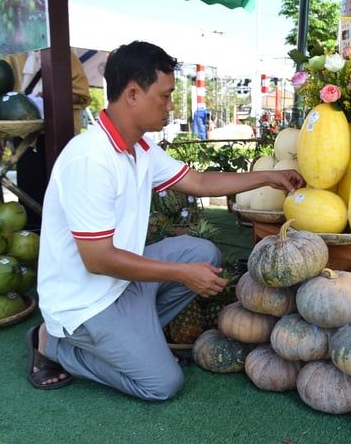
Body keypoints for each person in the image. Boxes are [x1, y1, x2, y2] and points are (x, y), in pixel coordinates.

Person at [26, 41, 304, 400]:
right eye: (165, 95)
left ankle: (136, 341)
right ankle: (52, 344)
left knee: (200, 253)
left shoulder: (140, 147)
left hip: (121, 285)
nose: (171, 106)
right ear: (132, 94)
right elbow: (97, 260)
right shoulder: (90, 159)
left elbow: (200, 182)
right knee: (162, 384)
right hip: (85, 303)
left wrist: (269, 177)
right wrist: (181, 274)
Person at [5, 51, 92, 228]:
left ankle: (65, 231)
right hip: (23, 135)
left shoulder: (66, 56)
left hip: (59, 132)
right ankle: (33, 234)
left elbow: (82, 95)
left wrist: (55, 95)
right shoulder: (13, 55)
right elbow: (2, 98)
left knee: (62, 190)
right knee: (30, 188)